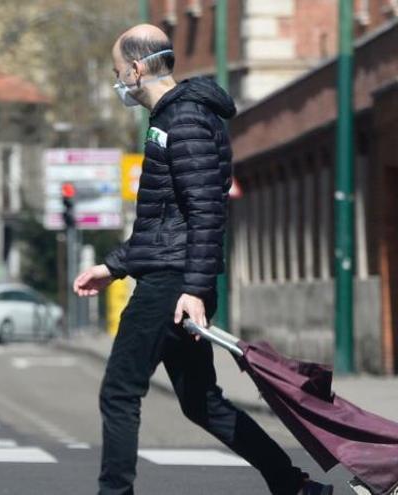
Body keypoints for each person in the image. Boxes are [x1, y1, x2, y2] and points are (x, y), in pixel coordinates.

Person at [72, 24, 333, 495]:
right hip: (177, 277)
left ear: (135, 69)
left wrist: (192, 288)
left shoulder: (184, 120)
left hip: (172, 286)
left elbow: (207, 210)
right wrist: (113, 266)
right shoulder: (175, 118)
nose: (118, 84)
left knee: (119, 391)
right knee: (200, 402)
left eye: (117, 74)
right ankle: (295, 487)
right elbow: (166, 222)